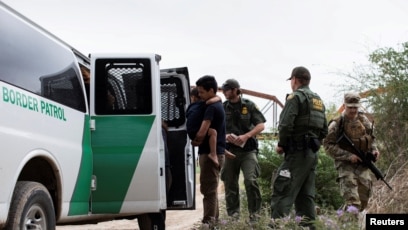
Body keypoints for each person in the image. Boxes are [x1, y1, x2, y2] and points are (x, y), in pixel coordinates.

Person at [270, 66, 328, 229]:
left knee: (282, 189)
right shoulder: (318, 100)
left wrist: (281, 144)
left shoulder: (296, 97)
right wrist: (313, 144)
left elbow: (286, 124)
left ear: (294, 79)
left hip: (296, 154)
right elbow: (324, 129)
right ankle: (309, 227)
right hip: (311, 155)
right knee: (305, 196)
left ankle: (275, 226)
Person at [323, 92, 380, 213]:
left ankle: (340, 220)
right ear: (344, 106)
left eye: (355, 107)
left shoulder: (364, 121)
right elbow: (327, 145)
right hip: (345, 166)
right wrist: (348, 156)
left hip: (362, 164)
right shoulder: (336, 124)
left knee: (363, 201)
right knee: (353, 203)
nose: (353, 110)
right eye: (350, 107)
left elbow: (371, 138)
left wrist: (374, 150)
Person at [221, 78, 266, 224]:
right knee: (230, 183)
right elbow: (214, 127)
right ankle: (233, 217)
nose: (225, 92)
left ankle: (255, 217)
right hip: (230, 151)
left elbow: (261, 125)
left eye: (227, 89)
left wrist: (246, 136)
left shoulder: (249, 105)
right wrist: (225, 136)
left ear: (235, 90)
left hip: (248, 151)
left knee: (250, 180)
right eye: (224, 89)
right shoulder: (222, 107)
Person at [192, 75, 227, 227]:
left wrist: (196, 140)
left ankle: (208, 224)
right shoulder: (216, 104)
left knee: (209, 192)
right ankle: (215, 223)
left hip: (209, 154)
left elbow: (202, 131)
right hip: (216, 152)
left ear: (211, 90)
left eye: (201, 92)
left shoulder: (211, 108)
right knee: (211, 190)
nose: (199, 95)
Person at [187, 88, 235, 167]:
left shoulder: (191, 107)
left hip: (192, 131)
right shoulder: (202, 104)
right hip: (196, 131)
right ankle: (213, 153)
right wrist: (218, 98)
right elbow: (214, 100)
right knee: (213, 132)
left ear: (193, 97)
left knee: (214, 134)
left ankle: (222, 149)